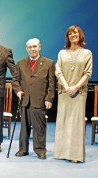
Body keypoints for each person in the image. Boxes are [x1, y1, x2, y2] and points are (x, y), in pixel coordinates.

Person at [54, 25, 92, 163]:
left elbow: (87, 73)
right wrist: (66, 86)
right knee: (63, 121)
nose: (72, 35)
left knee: (76, 123)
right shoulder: (61, 53)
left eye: (75, 33)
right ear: (67, 37)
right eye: (70, 33)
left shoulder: (87, 53)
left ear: (80, 35)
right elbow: (58, 71)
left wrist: (75, 87)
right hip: (64, 92)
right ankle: (62, 152)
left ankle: (75, 155)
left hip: (79, 92)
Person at [14, 38, 55, 160]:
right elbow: (15, 80)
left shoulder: (49, 63)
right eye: (30, 47)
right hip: (25, 100)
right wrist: (18, 90)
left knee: (39, 127)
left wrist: (49, 99)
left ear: (39, 47)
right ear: (27, 49)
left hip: (40, 100)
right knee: (24, 127)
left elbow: (52, 84)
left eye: (35, 46)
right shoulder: (20, 63)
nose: (33, 49)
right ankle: (23, 149)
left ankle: (40, 150)